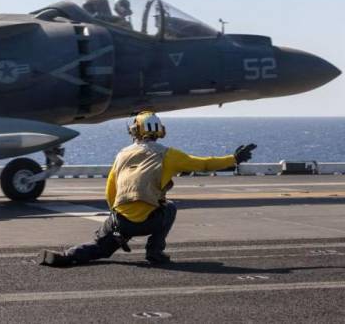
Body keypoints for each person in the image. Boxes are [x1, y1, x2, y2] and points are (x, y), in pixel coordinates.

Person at [40, 111, 256, 267]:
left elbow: (110, 192)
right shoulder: (168, 154)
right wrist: (233, 159)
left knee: (99, 248)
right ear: (159, 131)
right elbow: (204, 164)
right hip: (148, 222)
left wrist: (117, 223)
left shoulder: (122, 154)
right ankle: (155, 252)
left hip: (120, 221)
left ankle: (65, 257)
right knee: (169, 207)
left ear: (133, 131)